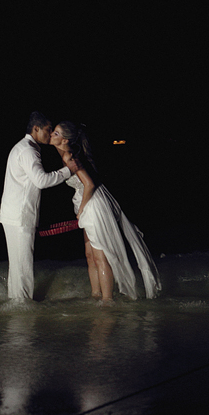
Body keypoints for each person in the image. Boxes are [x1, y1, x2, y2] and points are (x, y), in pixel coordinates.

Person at [50, 121, 161, 302]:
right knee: (89, 255)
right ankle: (95, 295)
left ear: (65, 139)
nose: (52, 135)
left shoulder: (68, 156)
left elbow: (89, 184)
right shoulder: (65, 153)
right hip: (86, 202)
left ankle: (107, 301)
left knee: (100, 256)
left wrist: (82, 211)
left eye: (56, 133)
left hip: (93, 205)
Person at [0, 111, 81, 301]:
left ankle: (16, 304)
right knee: (23, 267)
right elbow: (41, 180)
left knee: (17, 266)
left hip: (12, 213)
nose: (50, 133)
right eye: (48, 129)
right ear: (36, 129)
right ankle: (24, 306)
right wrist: (68, 171)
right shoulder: (28, 150)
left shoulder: (21, 147)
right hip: (20, 215)